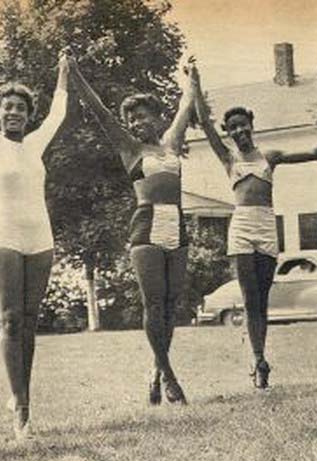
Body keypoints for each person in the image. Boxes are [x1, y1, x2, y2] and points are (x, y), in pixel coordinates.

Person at [192, 64, 317, 388]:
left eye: (243, 125)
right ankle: (259, 358)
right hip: (241, 228)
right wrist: (194, 84)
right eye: (232, 127)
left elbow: (314, 153)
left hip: (266, 226)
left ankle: (259, 356)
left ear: (252, 124)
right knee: (250, 299)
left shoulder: (271, 155)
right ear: (229, 131)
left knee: (262, 299)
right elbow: (205, 124)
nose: (238, 131)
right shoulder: (227, 158)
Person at [69, 56, 197, 405]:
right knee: (153, 303)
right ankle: (169, 377)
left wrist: (192, 77)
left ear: (156, 117)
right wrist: (75, 73)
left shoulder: (171, 143)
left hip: (177, 223)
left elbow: (187, 106)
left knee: (171, 305)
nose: (137, 122)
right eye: (132, 118)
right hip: (146, 225)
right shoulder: (129, 148)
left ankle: (156, 371)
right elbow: (99, 111)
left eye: (143, 116)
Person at [0, 49, 71, 440]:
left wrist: (63, 70)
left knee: (29, 322)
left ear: (28, 115)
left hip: (40, 237)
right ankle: (20, 409)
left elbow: (59, 111)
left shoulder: (35, 143)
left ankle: (23, 398)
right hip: (5, 236)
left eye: (20, 108)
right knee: (11, 319)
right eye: (7, 107)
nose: (13, 112)